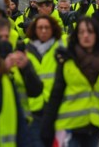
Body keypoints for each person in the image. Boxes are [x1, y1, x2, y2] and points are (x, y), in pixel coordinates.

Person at [41, 18, 99, 146]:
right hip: (70, 126)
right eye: (81, 32)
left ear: (97, 35)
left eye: (90, 32)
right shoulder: (67, 60)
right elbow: (56, 94)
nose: (85, 35)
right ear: (76, 36)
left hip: (94, 126)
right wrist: (47, 126)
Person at [25, 15, 65, 147]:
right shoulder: (25, 48)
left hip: (56, 108)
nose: (43, 31)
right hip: (34, 109)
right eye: (40, 28)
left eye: (47, 28)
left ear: (53, 29)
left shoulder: (61, 48)